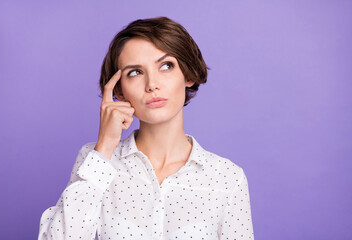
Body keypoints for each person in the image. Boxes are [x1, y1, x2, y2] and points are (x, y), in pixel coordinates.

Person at [38, 16, 254, 240]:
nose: (152, 84)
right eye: (135, 72)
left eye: (166, 66)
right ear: (119, 90)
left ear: (188, 74)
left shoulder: (227, 178)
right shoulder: (95, 161)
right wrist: (104, 147)